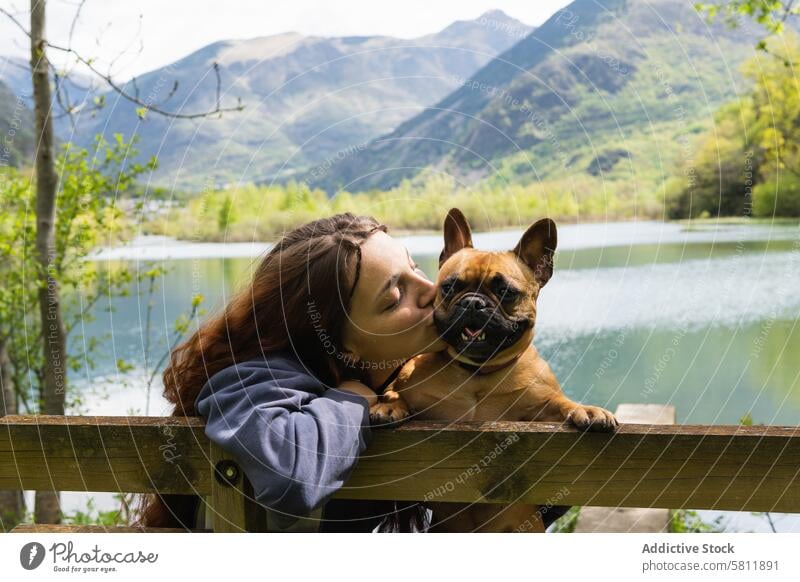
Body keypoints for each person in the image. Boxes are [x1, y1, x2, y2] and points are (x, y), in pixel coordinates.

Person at [135, 212, 446, 531]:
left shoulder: (409, 383)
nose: (431, 288)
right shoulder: (252, 379)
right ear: (340, 342)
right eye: (394, 298)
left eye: (415, 266)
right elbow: (290, 476)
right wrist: (350, 398)